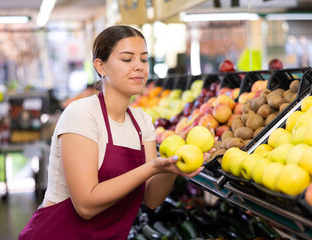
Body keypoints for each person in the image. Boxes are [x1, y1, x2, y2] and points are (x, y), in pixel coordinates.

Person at [19, 25, 203, 239]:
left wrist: (172, 167)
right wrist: (151, 167)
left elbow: (151, 198)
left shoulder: (142, 122)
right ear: (101, 66)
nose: (139, 67)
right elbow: (85, 206)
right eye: (127, 59)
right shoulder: (82, 114)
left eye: (144, 59)